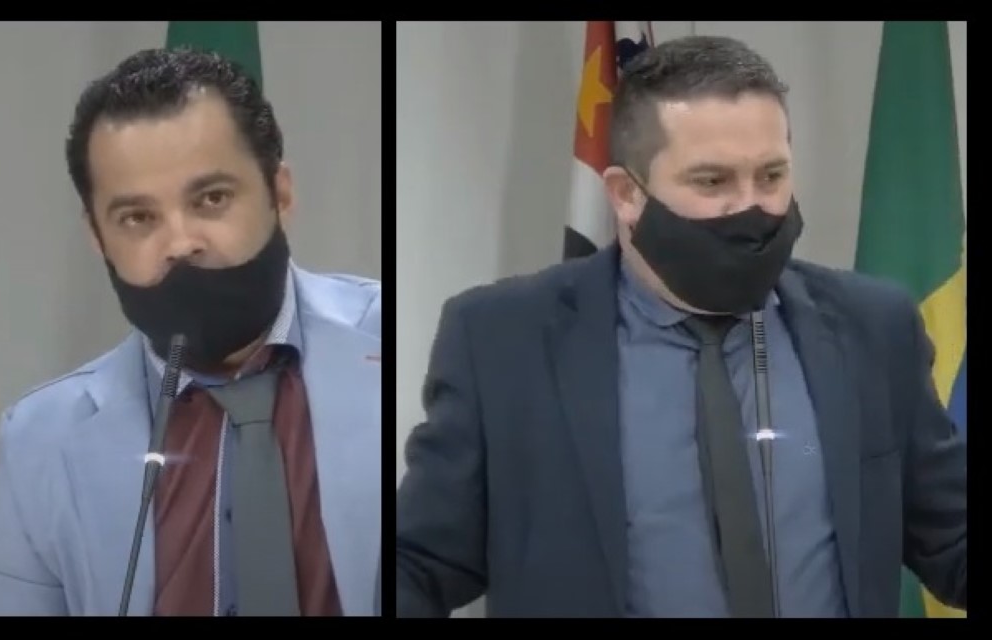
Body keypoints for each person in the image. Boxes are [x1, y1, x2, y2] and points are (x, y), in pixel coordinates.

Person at [396, 35, 966, 618]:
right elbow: (419, 565)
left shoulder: (874, 329)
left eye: (771, 176)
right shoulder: (503, 342)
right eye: (712, 182)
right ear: (625, 194)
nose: (751, 207)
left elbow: (951, 536)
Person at [0, 47, 381, 616]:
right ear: (98, 237)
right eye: (138, 217)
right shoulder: (39, 443)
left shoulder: (396, 344)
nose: (181, 242)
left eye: (212, 198)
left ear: (280, 194)